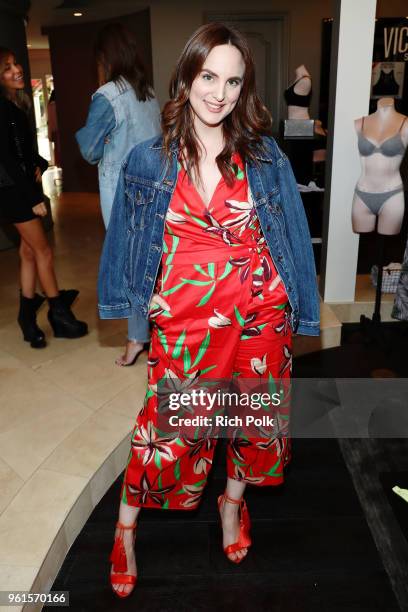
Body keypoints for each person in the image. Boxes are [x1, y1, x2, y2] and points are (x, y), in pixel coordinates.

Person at [98, 23, 320, 597]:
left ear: (243, 88)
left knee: (252, 426)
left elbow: (292, 236)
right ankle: (124, 531)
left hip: (261, 317)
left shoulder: (266, 155)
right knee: (168, 433)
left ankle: (230, 505)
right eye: (208, 77)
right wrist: (136, 323)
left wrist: (303, 314)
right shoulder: (149, 161)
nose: (219, 93)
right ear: (186, 77)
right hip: (189, 324)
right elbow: (128, 245)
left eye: (232, 80)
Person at [76, 23, 161, 366]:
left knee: (130, 267)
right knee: (152, 261)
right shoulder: (148, 92)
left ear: (106, 58)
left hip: (123, 193)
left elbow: (89, 149)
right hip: (154, 185)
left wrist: (106, 141)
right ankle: (155, 333)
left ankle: (136, 339)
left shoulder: (107, 95)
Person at [0, 47, 88, 348]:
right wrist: (31, 197)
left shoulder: (13, 106)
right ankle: (58, 315)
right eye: (7, 68)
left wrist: (39, 162)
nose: (17, 70)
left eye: (16, 64)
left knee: (27, 252)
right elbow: (5, 161)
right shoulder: (1, 108)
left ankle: (26, 316)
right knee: (44, 253)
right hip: (13, 194)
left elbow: (21, 152)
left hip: (17, 189)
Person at [352, 97, 407, 236]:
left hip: (392, 195)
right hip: (362, 195)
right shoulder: (360, 123)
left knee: (386, 245)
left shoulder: (405, 124)